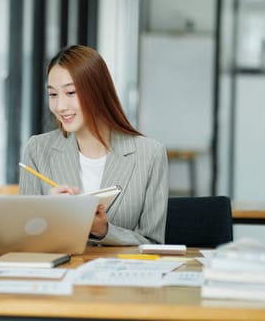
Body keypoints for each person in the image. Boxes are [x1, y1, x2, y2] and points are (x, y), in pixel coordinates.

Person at [19, 45, 168, 246]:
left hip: (121, 275)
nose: (60, 106)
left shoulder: (150, 155)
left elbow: (154, 244)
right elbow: (23, 239)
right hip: (59, 273)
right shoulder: (37, 150)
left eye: (70, 92)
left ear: (98, 91)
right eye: (53, 95)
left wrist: (104, 231)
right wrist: (48, 214)